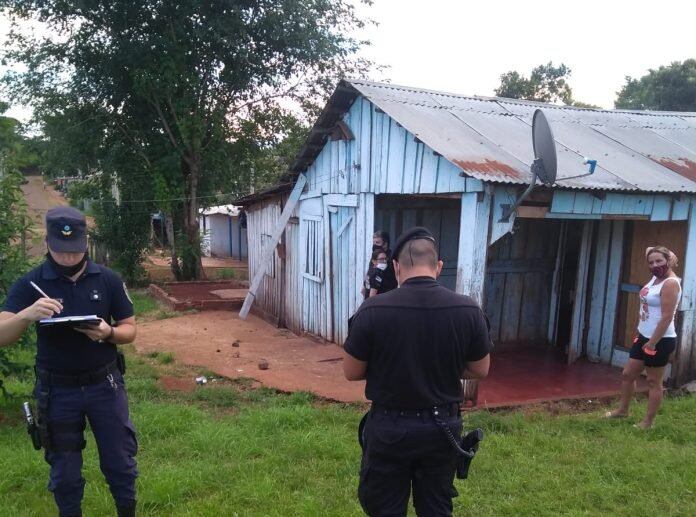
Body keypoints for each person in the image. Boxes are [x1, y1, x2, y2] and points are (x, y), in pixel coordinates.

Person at [343, 226, 491, 516]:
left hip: (389, 429)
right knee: (436, 508)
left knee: (385, 509)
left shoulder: (372, 310)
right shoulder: (468, 310)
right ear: (438, 267)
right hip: (443, 429)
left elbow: (351, 371)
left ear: (396, 267)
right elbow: (480, 370)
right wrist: (444, 366)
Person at [0, 206, 138, 517]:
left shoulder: (107, 279)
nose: (68, 258)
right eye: (61, 251)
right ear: (48, 243)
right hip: (57, 391)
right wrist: (26, 314)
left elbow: (130, 330)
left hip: (105, 385)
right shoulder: (30, 283)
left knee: (120, 462)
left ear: (85, 243)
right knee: (64, 472)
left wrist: (108, 332)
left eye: (75, 251)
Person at [606, 245, 681, 429]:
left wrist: (653, 342)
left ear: (668, 262)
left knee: (653, 381)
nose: (655, 265)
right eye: (651, 262)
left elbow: (667, 317)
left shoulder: (670, 283)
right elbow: (649, 248)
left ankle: (648, 422)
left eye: (659, 261)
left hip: (660, 340)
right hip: (644, 336)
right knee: (627, 374)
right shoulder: (656, 277)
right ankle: (623, 411)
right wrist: (664, 254)